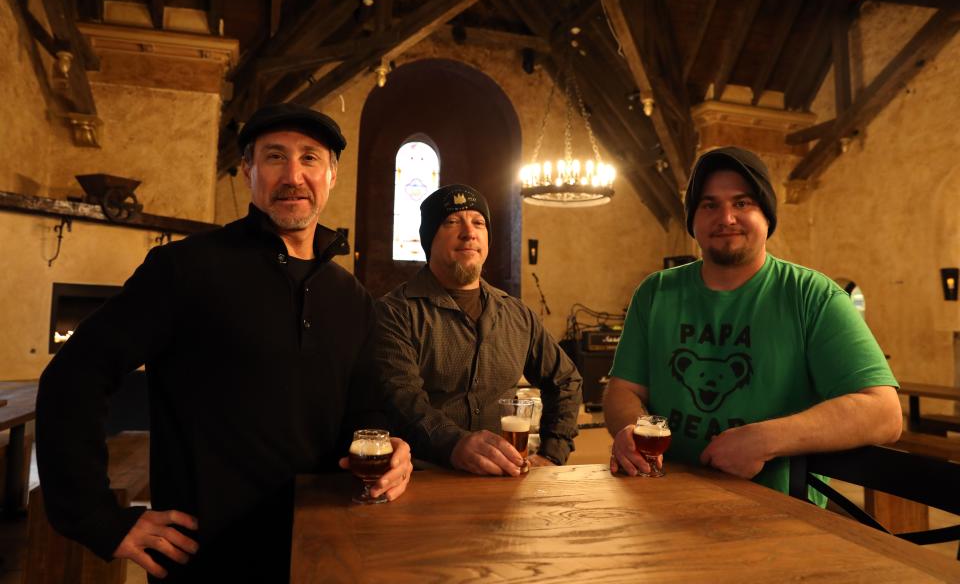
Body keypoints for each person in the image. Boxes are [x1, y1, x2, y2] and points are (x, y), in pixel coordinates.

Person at [36, 103, 413, 582]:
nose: (293, 175)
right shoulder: (185, 270)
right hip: (208, 558)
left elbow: (365, 413)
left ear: (332, 175)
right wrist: (96, 519)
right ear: (248, 171)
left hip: (326, 549)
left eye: (310, 158)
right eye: (275, 157)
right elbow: (75, 375)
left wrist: (390, 452)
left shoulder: (353, 298)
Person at [603, 146, 901, 493]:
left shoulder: (812, 296)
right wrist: (630, 429)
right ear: (694, 221)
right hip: (663, 496)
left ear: (766, 216)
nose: (726, 217)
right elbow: (623, 390)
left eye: (742, 203)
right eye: (710, 204)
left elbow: (883, 412)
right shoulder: (656, 292)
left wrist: (765, 439)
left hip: (782, 514)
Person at [375, 184, 582, 476]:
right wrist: (455, 444)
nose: (469, 232)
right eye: (451, 221)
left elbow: (566, 381)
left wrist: (552, 453)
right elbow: (402, 399)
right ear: (429, 239)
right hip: (422, 481)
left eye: (478, 222)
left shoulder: (518, 315)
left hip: (504, 484)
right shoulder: (395, 312)